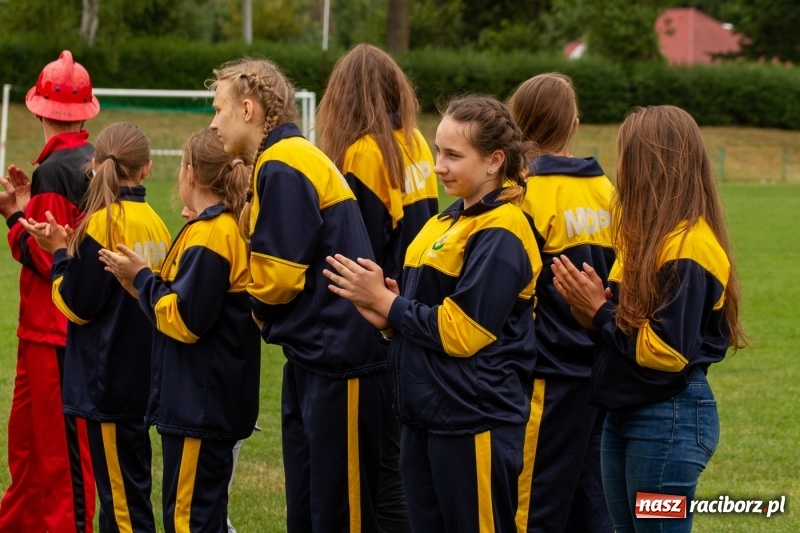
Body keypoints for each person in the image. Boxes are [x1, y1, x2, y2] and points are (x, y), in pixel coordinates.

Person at [324, 94, 542, 532]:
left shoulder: (504, 230)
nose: (438, 166)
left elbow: (463, 331)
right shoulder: (444, 221)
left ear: (495, 161)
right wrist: (389, 322)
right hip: (425, 416)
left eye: (453, 155)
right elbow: (423, 312)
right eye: (438, 151)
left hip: (473, 420)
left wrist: (389, 303)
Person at [207, 56, 386, 532]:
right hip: (318, 356)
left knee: (340, 513)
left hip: (341, 361)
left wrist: (257, 313)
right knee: (309, 507)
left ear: (247, 109)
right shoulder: (287, 157)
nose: (213, 122)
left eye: (218, 109)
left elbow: (279, 278)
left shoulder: (284, 163)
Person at [550, 105, 747, 532]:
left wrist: (601, 312)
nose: (618, 167)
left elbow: (667, 352)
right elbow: (627, 329)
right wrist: (589, 311)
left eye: (624, 154)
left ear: (650, 164)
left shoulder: (689, 247)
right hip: (627, 410)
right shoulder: (646, 240)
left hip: (668, 417)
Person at [98, 128, 261, 532]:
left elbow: (187, 320)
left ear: (192, 173)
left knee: (188, 520)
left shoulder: (212, 233)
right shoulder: (216, 227)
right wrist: (142, 282)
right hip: (207, 404)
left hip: (200, 406)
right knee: (202, 516)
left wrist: (142, 279)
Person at [20, 121, 171, 533]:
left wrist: (59, 255)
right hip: (143, 378)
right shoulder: (156, 223)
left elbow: (78, 305)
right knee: (131, 493)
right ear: (147, 168)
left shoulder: (102, 223)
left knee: (120, 506)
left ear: (96, 164)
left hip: (109, 385)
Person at [316, 43, 439, 533]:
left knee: (378, 475)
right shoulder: (417, 142)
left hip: (375, 324)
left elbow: (355, 247)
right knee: (399, 464)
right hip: (413, 307)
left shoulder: (363, 154)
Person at [508, 73, 614, 532]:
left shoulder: (523, 194)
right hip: (602, 368)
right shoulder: (608, 192)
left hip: (545, 375)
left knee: (532, 505)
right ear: (574, 123)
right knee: (593, 500)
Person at [0, 49, 97, 532]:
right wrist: (26, 206)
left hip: (55, 333)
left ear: (39, 110)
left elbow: (47, 257)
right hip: (47, 330)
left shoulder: (57, 170)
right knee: (28, 446)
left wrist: (13, 217)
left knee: (59, 456)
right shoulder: (85, 161)